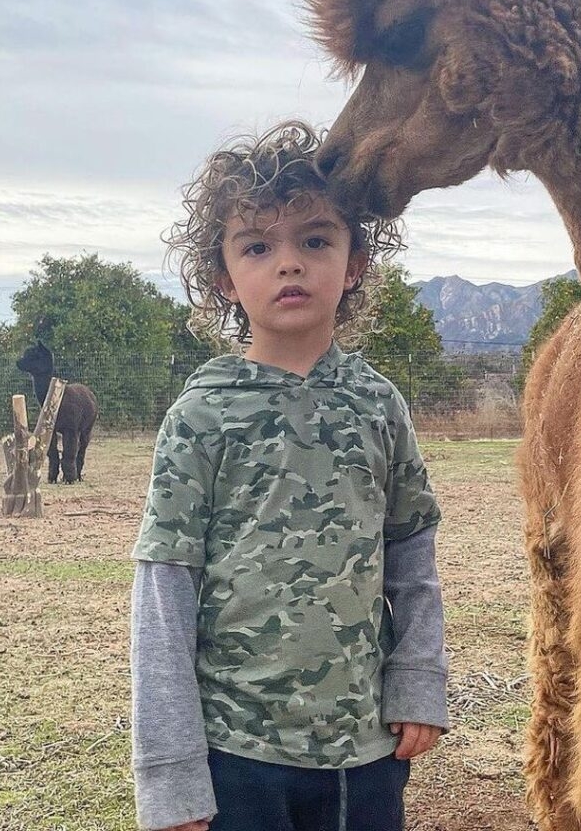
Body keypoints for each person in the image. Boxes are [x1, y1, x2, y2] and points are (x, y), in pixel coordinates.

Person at [130, 121, 448, 831]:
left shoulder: (379, 405)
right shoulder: (201, 416)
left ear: (356, 262)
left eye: (314, 239)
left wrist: (418, 683)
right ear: (222, 277)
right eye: (257, 246)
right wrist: (172, 771)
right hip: (234, 753)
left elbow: (411, 554)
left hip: (365, 751)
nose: (290, 263)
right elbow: (163, 593)